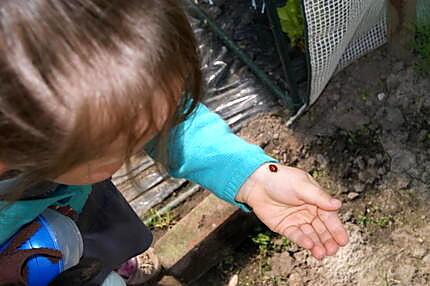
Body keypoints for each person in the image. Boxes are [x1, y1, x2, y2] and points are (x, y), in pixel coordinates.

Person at [0, 0, 348, 284]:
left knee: (102, 242)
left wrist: (250, 175)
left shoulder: (65, 126)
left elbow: (168, 121)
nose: (152, 137)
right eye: (131, 142)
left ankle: (113, 262)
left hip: (72, 206)